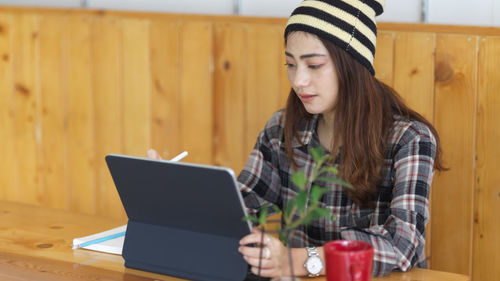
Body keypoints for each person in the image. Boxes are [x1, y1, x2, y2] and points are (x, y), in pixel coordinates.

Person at [237, 0, 445, 278]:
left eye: (313, 65)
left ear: (352, 66)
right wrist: (169, 188)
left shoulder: (410, 139)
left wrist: (296, 260)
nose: (298, 80)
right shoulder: (282, 127)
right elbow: (242, 206)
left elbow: (402, 245)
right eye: (290, 64)